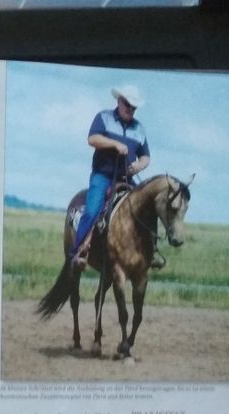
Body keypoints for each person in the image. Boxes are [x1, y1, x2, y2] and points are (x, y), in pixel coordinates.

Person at [70, 85, 156, 273]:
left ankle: (151, 252)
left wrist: (139, 166)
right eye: (127, 104)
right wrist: (115, 144)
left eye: (134, 107)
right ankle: (77, 253)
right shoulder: (104, 118)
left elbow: (146, 157)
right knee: (92, 210)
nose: (130, 109)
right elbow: (92, 139)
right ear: (119, 101)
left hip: (126, 177)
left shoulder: (139, 128)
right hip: (103, 175)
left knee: (146, 208)